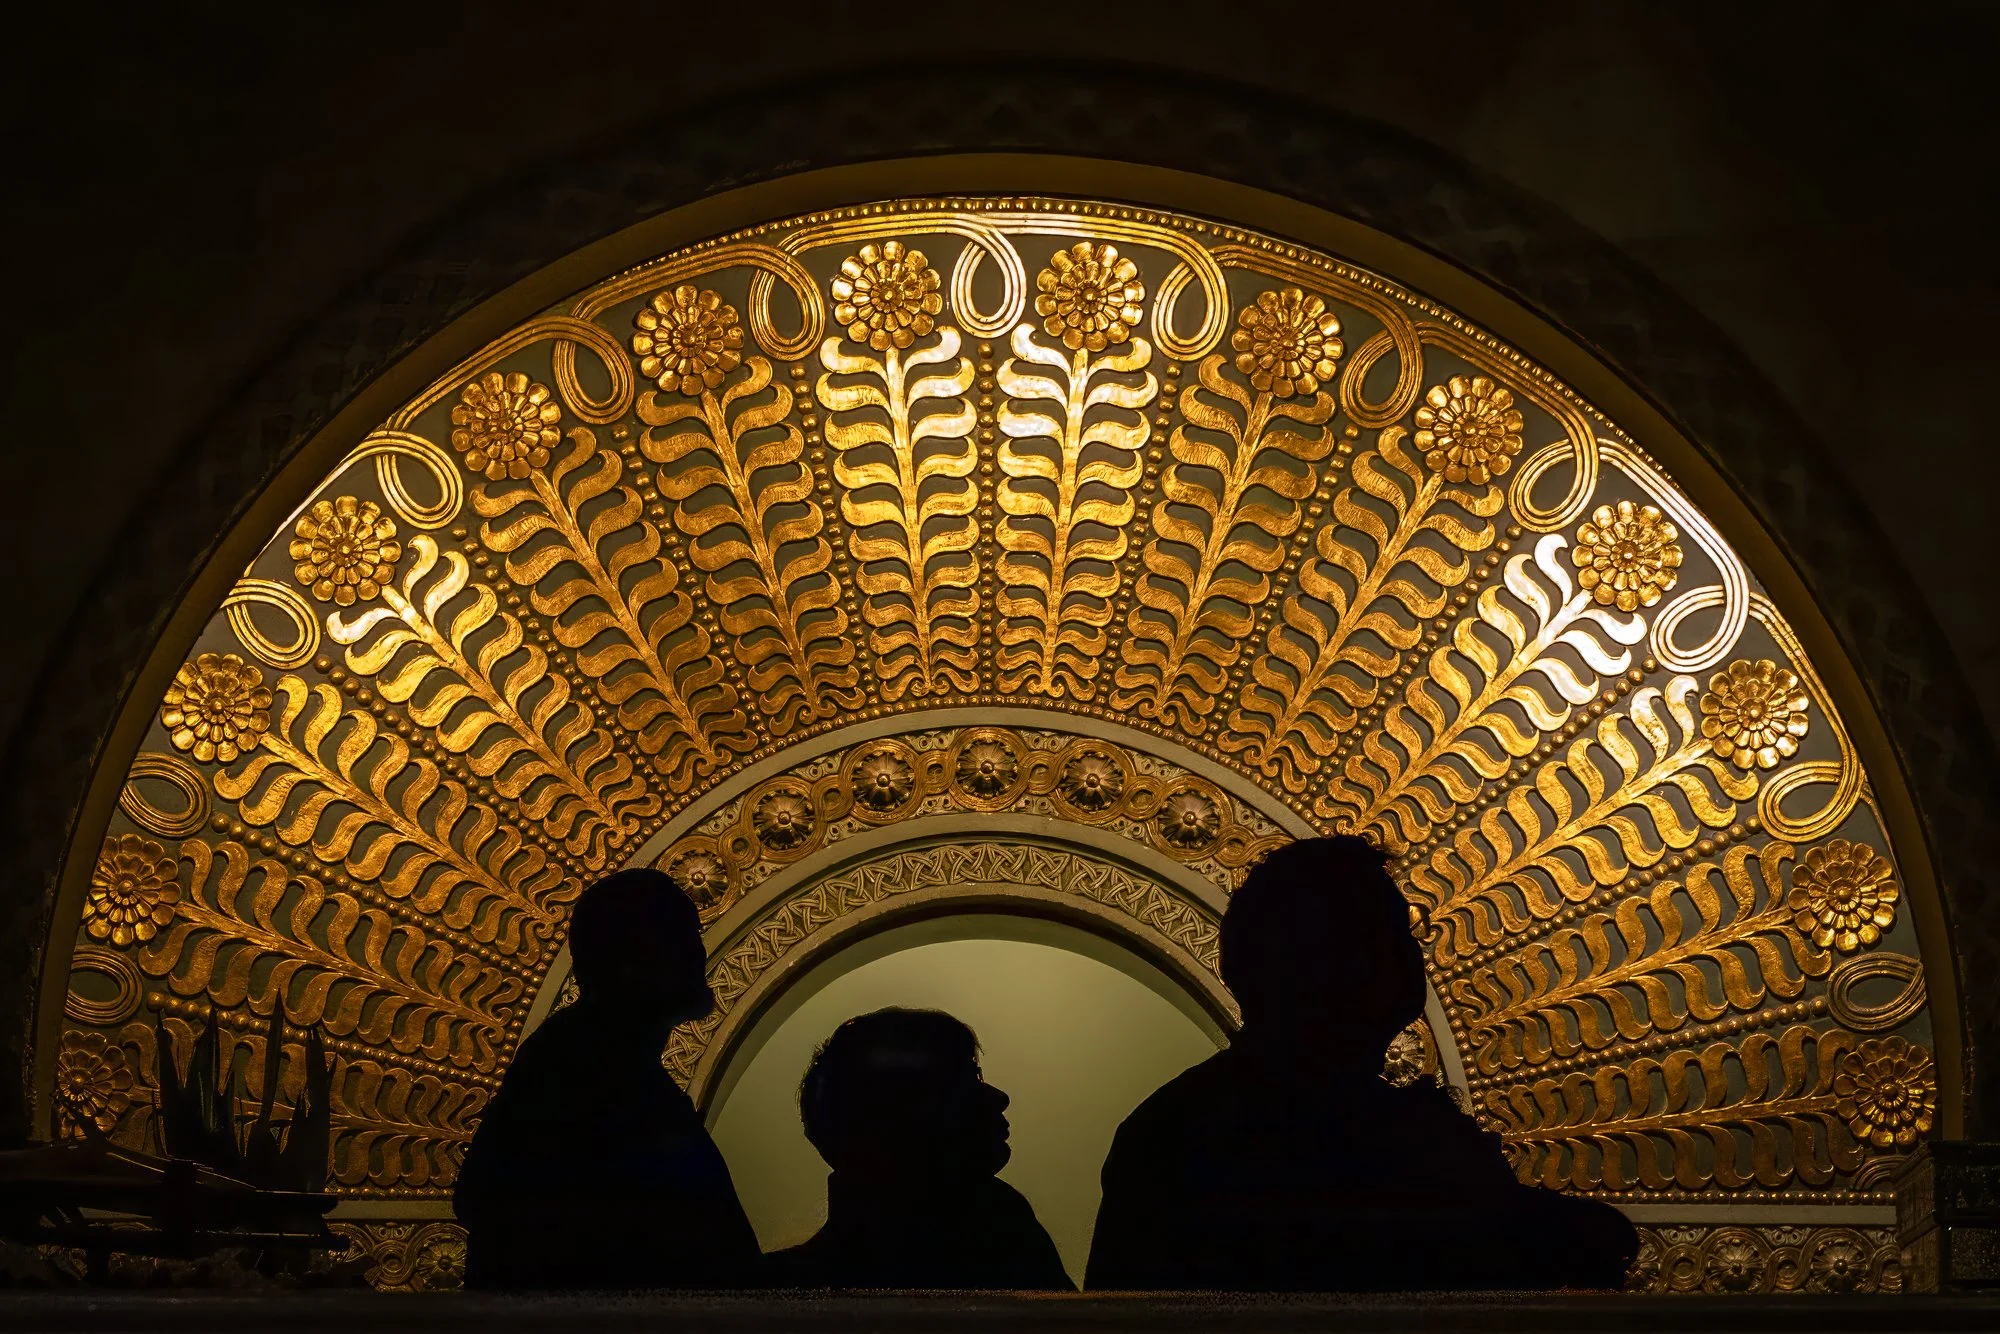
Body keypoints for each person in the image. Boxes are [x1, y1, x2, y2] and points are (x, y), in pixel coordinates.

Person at [1086, 835, 1638, 1291]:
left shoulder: (1166, 1130)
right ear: (1329, 964)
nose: (1412, 955)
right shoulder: (1398, 1142)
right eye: (1393, 934)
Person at [453, 868, 760, 1289]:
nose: (698, 955)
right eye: (683, 940)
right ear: (632, 960)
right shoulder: (585, 1075)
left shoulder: (585, 1062)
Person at [768, 1008, 1073, 1290]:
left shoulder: (1005, 1223)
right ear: (895, 1117)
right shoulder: (1003, 1234)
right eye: (965, 1080)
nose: (999, 1097)